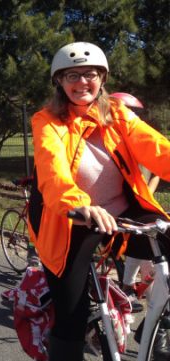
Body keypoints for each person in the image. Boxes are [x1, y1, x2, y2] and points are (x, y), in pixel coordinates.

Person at [29, 42, 170, 360]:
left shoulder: (119, 115)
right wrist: (78, 204)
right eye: (72, 76)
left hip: (121, 213)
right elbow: (53, 168)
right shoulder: (47, 121)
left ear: (102, 78)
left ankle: (160, 325)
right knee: (71, 317)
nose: (81, 83)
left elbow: (157, 149)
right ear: (60, 83)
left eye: (89, 74)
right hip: (71, 220)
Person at [109, 92, 157, 311]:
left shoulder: (140, 139)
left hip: (141, 205)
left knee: (154, 256)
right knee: (141, 248)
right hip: (118, 209)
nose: (131, 117)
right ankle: (128, 287)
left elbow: (156, 169)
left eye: (134, 113)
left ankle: (135, 290)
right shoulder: (111, 144)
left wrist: (147, 195)